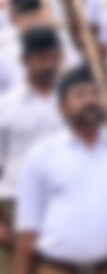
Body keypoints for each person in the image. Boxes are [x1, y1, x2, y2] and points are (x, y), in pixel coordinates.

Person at [15, 65, 107, 274]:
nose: (90, 100)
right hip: (58, 266)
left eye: (95, 93)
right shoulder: (40, 155)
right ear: (62, 108)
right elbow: (28, 227)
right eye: (80, 95)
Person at [0, 28, 65, 273]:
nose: (49, 64)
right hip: (16, 201)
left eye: (53, 56)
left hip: (64, 199)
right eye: (41, 58)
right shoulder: (6, 108)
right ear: (26, 61)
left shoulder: (71, 99)